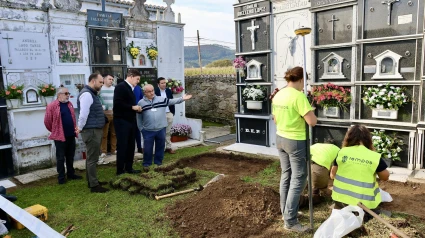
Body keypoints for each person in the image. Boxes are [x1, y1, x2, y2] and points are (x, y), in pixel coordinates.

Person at [271, 66, 317, 233]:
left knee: (287, 175)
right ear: (301, 80)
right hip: (296, 141)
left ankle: (286, 212)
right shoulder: (299, 96)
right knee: (299, 178)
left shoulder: (278, 94)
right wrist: (312, 111)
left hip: (280, 139)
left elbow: (275, 120)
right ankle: (290, 221)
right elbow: (312, 122)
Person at [330, 125, 390, 210]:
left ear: (348, 138)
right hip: (364, 204)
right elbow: (385, 177)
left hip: (340, 200)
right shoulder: (374, 156)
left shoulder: (342, 152)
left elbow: (332, 175)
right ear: (368, 139)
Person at [137, 84, 192, 169]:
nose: (152, 93)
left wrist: (182, 99)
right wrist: (141, 129)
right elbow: (139, 117)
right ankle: (146, 164)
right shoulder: (141, 103)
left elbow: (172, 101)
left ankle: (158, 163)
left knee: (160, 147)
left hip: (161, 129)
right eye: (149, 91)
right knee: (147, 149)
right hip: (148, 130)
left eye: (152, 91)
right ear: (145, 93)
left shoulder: (161, 100)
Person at [76, 73, 109, 193]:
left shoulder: (91, 93)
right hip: (91, 130)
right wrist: (79, 127)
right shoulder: (86, 94)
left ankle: (92, 181)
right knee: (92, 158)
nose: (102, 84)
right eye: (100, 82)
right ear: (93, 81)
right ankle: (94, 185)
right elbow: (83, 114)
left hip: (93, 129)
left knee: (92, 157)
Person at [44, 87, 82, 184]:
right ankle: (61, 177)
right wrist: (55, 130)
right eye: (66, 93)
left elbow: (72, 118)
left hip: (71, 135)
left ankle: (71, 173)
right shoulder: (52, 106)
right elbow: (47, 121)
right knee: (61, 157)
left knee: (70, 156)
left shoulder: (69, 104)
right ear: (59, 94)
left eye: (68, 93)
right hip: (60, 136)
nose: (68, 95)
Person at [113, 69, 142, 175]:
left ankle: (129, 168)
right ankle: (120, 170)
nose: (138, 81)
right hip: (121, 121)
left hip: (131, 120)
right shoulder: (120, 87)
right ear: (131, 76)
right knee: (122, 146)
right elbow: (118, 104)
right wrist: (132, 107)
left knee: (131, 145)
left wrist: (136, 109)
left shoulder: (131, 88)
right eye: (137, 79)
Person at [298, 139, 340, 208]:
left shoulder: (315, 145)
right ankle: (299, 201)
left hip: (302, 168)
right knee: (325, 189)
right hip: (318, 170)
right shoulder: (337, 150)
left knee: (313, 181)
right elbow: (333, 173)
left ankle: (293, 198)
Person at [154, 77, 176, 154]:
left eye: (164, 83)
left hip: (168, 113)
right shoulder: (155, 92)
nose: (164, 84)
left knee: (168, 131)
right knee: (160, 132)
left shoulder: (169, 91)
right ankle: (160, 148)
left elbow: (172, 102)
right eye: (162, 83)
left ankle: (168, 147)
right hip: (160, 114)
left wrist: (172, 113)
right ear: (158, 84)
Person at [99, 74, 116, 163]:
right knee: (104, 134)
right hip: (105, 114)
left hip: (114, 113)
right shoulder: (101, 89)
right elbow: (98, 100)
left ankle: (113, 150)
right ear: (104, 79)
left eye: (112, 79)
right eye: (109, 79)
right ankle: (104, 151)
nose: (111, 81)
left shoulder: (114, 89)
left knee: (114, 133)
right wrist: (104, 107)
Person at [134, 84, 143, 154]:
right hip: (127, 112)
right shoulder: (126, 87)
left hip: (137, 111)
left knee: (137, 130)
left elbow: (141, 99)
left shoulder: (138, 88)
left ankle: (139, 147)